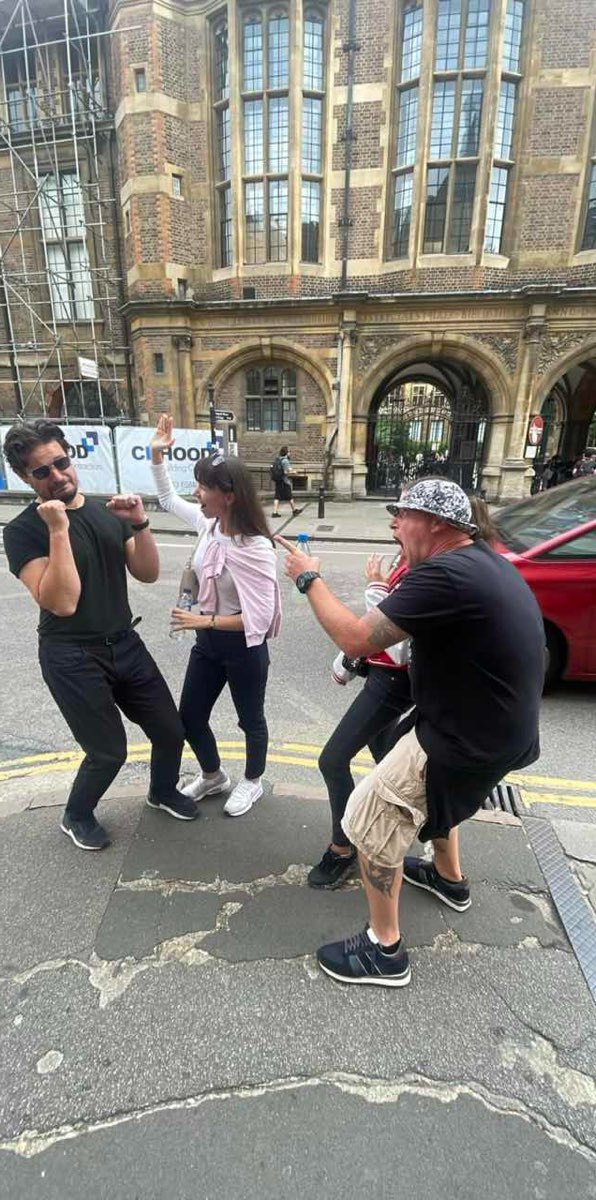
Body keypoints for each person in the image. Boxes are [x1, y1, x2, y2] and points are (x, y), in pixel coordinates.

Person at [277, 477, 545, 988]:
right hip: (491, 729)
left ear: (438, 524)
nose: (394, 523)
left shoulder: (445, 573)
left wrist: (309, 578)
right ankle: (449, 879)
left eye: (403, 514)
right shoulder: (482, 561)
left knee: (372, 813)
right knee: (425, 796)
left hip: (463, 736)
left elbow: (357, 637)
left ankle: (384, 950)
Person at [2, 418, 191, 852]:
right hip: (70, 655)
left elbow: (146, 573)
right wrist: (58, 530)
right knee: (108, 752)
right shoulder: (23, 531)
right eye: (42, 472)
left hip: (124, 642)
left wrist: (141, 523)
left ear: (70, 456)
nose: (57, 476)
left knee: (169, 730)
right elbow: (62, 601)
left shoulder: (108, 510)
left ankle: (161, 792)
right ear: (24, 477)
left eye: (61, 463)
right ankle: (77, 814)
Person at [151, 414, 281, 817]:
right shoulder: (208, 525)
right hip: (208, 644)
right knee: (189, 717)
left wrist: (202, 621)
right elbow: (168, 500)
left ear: (230, 495)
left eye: (205, 486)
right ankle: (213, 775)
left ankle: (253, 781)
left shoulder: (256, 548)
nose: (198, 493)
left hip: (243, 648)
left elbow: (256, 620)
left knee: (250, 721)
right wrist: (157, 456)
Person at [309, 548, 411, 890]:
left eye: (404, 514)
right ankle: (437, 848)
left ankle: (342, 847)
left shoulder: (424, 568)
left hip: (393, 682)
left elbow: (397, 647)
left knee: (333, 760)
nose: (395, 522)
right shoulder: (409, 557)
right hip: (384, 677)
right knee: (390, 762)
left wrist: (376, 589)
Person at [271, 446, 302, 518]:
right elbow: (286, 472)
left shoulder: (278, 459)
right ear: (286, 453)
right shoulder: (285, 461)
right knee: (290, 496)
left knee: (277, 496)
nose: (290, 453)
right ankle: (294, 511)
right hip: (284, 481)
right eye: (289, 452)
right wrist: (294, 472)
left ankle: (274, 512)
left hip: (278, 481)